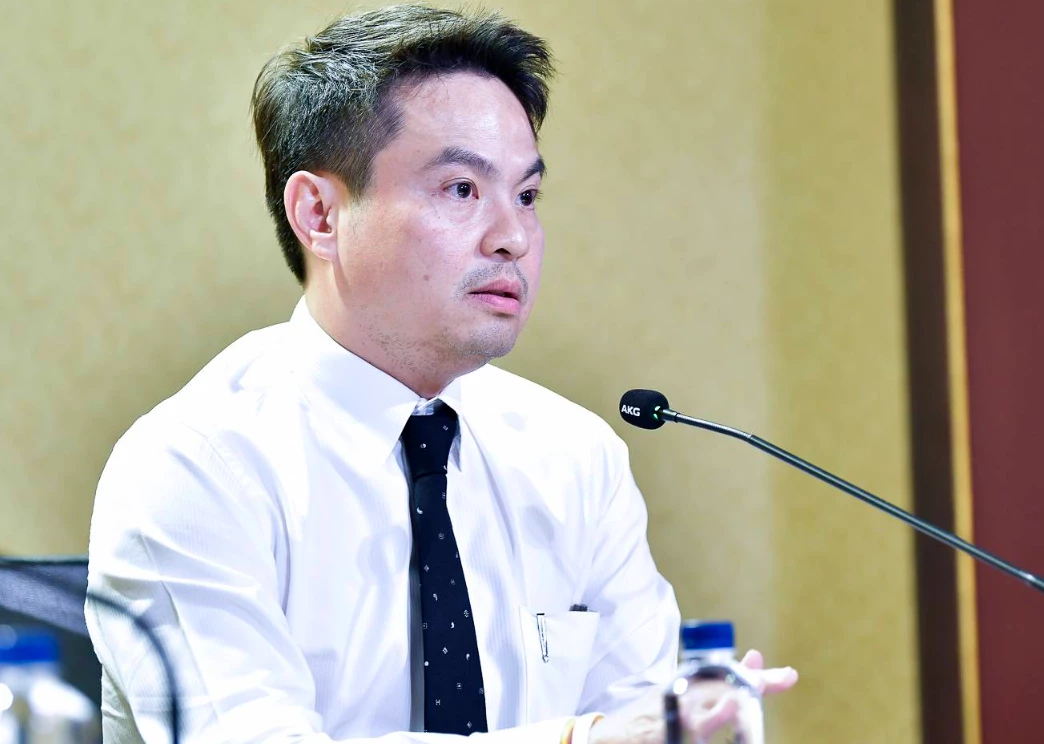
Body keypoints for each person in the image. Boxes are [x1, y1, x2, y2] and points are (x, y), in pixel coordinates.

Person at [84, 6, 797, 743]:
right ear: (319, 214)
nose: (513, 237)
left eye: (527, 196)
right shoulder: (196, 465)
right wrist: (577, 740)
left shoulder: (574, 457)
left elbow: (644, 721)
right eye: (461, 189)